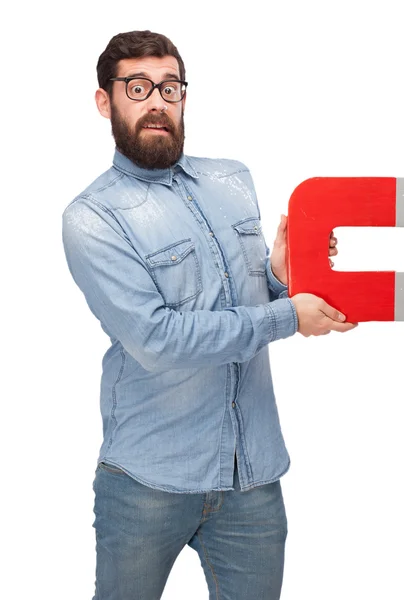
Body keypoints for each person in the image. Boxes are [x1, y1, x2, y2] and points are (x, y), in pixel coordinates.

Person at [61, 29, 358, 600]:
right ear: (106, 102)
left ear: (183, 97)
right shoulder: (92, 217)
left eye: (169, 87)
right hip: (148, 482)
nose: (156, 102)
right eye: (138, 87)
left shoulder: (231, 178)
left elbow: (251, 302)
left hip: (253, 477)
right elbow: (157, 338)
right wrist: (289, 317)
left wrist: (279, 276)